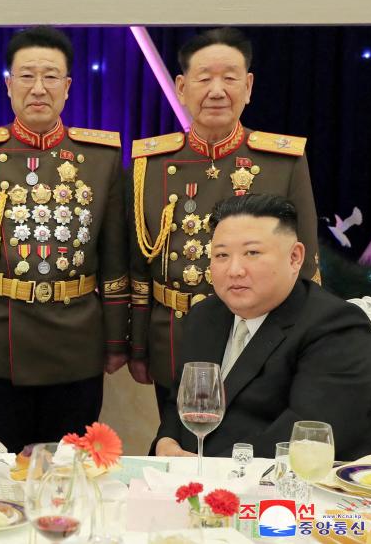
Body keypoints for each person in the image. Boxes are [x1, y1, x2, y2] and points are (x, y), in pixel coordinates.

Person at [0, 27, 130, 453]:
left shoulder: (100, 158)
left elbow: (115, 262)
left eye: (50, 77)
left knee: (71, 468)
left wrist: (117, 342)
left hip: (76, 342)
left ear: (67, 87)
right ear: (8, 86)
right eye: (26, 76)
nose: (38, 88)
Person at [129, 27, 320, 408]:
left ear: (248, 86)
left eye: (230, 78)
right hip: (175, 338)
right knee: (181, 448)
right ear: (182, 88)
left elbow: (306, 266)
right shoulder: (149, 165)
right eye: (204, 79)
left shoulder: (282, 161)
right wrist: (135, 346)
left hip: (260, 340)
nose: (217, 91)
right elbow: (137, 266)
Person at [154, 194, 371, 460]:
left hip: (278, 492)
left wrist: (209, 471)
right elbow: (180, 401)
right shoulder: (205, 316)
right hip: (190, 486)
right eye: (221, 255)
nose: (234, 270)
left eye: (252, 253)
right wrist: (165, 442)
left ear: (294, 258)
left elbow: (307, 436)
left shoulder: (336, 327)